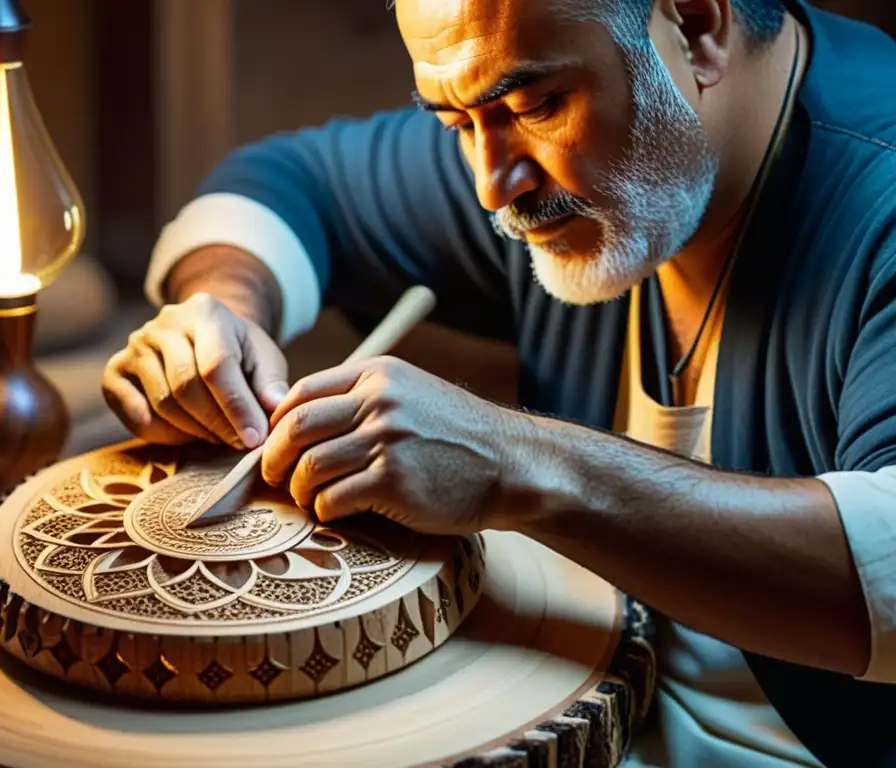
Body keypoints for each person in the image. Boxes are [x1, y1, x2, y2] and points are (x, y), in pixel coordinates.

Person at [102, 0, 896, 764]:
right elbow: (288, 184)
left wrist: (519, 464)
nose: (491, 187)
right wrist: (225, 307)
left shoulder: (877, 192)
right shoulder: (537, 138)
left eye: (536, 104)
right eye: (455, 123)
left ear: (693, 24)